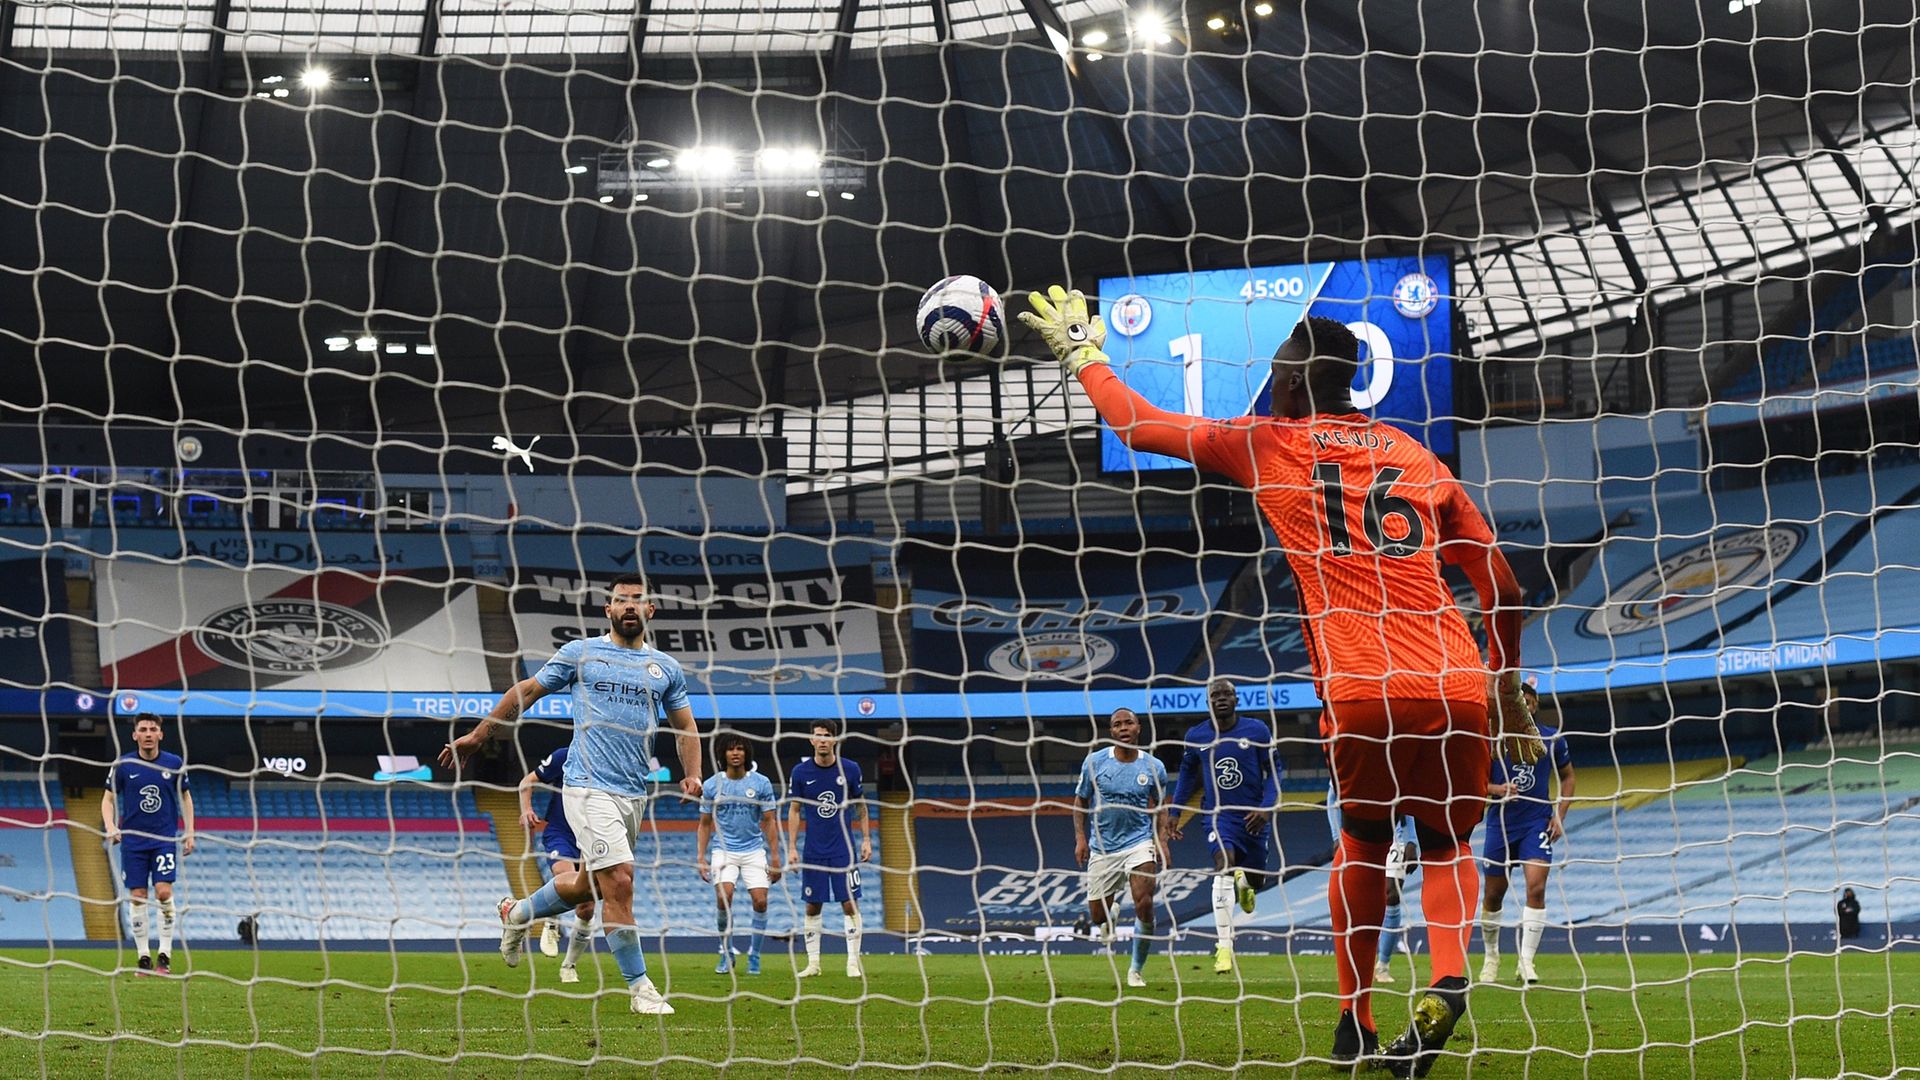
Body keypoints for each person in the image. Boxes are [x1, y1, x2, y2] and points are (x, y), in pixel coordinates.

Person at [1023, 291, 1539, 1077]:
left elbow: (1138, 426)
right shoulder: (1417, 456)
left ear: (1293, 386)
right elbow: (1503, 586)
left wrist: (1084, 354)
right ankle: (1446, 978)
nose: (1269, 389)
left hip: (1363, 684)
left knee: (1364, 843)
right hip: (1457, 679)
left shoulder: (1270, 443)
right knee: (1444, 844)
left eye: (1273, 375)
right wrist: (1503, 686)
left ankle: (1353, 1022)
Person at [440, 573, 702, 1017]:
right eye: (621, 600)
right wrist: (480, 733)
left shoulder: (665, 669)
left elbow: (686, 728)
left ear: (650, 611)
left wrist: (693, 774)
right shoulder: (580, 653)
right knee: (619, 881)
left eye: (638, 601)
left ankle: (519, 913)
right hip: (585, 786)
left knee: (588, 888)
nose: (630, 607)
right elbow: (527, 690)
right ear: (608, 609)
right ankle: (641, 989)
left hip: (632, 792)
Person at [1167, 677, 1281, 975]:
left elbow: (1276, 772)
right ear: (1208, 702)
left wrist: (1266, 810)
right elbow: (1186, 776)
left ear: (1236, 699)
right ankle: (1224, 947)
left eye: (1226, 694)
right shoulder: (1197, 735)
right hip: (1218, 815)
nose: (1220, 698)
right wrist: (1175, 812)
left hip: (1253, 816)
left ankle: (1246, 886)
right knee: (1223, 865)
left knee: (1255, 881)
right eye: (1215, 694)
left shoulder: (1257, 730)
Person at [1478, 684, 1574, 985]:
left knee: (1537, 888)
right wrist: (1497, 790)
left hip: (1537, 823)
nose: (1527, 707)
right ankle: (1491, 956)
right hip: (1500, 825)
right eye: (1522, 703)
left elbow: (1568, 777)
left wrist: (1559, 815)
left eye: (1531, 703)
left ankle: (1526, 962)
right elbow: (1473, 782)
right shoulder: (1493, 739)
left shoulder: (1551, 738)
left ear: (1535, 705)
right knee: (1494, 894)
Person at [1074, 707, 1171, 988]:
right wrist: (1080, 838)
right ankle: (1111, 913)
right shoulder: (1094, 762)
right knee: (1098, 917)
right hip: (1103, 847)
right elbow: (1081, 802)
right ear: (1111, 731)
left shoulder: (1154, 766)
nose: (1123, 728)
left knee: (1145, 901)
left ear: (1139, 728)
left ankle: (1135, 970)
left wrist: (1161, 840)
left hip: (1139, 843)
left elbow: (1162, 805)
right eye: (1117, 724)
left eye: (1129, 723)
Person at [102, 713, 195, 976]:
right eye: (143, 729)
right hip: (133, 842)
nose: (148, 733)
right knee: (138, 896)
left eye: (153, 729)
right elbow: (107, 799)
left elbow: (186, 798)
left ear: (160, 734)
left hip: (164, 840)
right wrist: (110, 826)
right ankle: (143, 958)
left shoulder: (174, 763)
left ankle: (164, 956)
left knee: (164, 892)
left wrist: (190, 831)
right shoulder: (123, 765)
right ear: (135, 735)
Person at [787, 719, 872, 978]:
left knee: (849, 904)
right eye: (818, 735)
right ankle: (813, 964)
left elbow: (861, 806)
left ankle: (853, 963)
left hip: (843, 850)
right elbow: (795, 810)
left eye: (827, 735)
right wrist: (791, 847)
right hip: (813, 850)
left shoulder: (851, 769)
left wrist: (866, 839)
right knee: (813, 905)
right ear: (811, 740)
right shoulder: (800, 773)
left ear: (835, 740)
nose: (822, 740)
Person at [697, 731, 782, 975]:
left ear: (746, 754)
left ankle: (754, 956)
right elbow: (704, 824)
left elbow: (769, 821)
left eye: (740, 749)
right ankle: (726, 952)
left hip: (754, 850)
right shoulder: (713, 785)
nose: (736, 753)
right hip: (723, 850)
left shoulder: (761, 783)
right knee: (724, 897)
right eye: (731, 749)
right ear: (723, 754)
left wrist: (775, 857)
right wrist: (700, 858)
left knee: (761, 901)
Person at [1325, 785, 1421, 985]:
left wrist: (1412, 840)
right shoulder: (1350, 758)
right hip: (1359, 834)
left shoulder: (1396, 756)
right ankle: (1356, 963)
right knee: (1360, 899)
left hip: (1395, 834)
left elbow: (1407, 798)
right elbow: (1332, 798)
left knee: (1392, 896)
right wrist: (1337, 836)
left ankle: (1383, 965)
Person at [517, 745, 596, 983]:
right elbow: (527, 781)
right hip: (561, 833)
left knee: (587, 908)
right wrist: (526, 809)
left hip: (592, 837)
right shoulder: (566, 755)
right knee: (565, 876)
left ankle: (569, 965)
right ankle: (552, 920)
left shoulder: (611, 760)